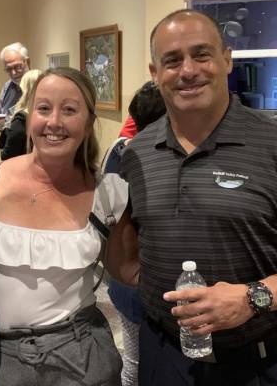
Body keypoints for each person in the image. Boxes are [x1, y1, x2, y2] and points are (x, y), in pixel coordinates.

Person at [107, 9, 277, 385]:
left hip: (262, 363)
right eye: (172, 60)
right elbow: (130, 239)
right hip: (164, 360)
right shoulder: (138, 153)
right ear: (155, 73)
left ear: (227, 59)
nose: (187, 70)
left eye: (201, 54)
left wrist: (252, 298)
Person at [0, 67, 125, 385]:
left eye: (69, 110)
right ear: (29, 117)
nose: (54, 122)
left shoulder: (108, 194)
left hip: (81, 358)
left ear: (87, 124)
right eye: (43, 108)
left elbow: (129, 269)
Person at [104, 81, 165, 386]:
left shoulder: (117, 153)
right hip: (144, 285)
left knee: (133, 361)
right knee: (144, 366)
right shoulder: (154, 162)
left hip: (121, 283)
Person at [0, 68, 41, 160]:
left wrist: (6, 128)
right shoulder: (44, 115)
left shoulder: (21, 119)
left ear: (25, 90)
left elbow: (6, 155)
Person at [0, 42, 30, 131]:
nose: (14, 73)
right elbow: (1, 119)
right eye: (8, 69)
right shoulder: (7, 87)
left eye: (18, 67)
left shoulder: (39, 85)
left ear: (28, 62)